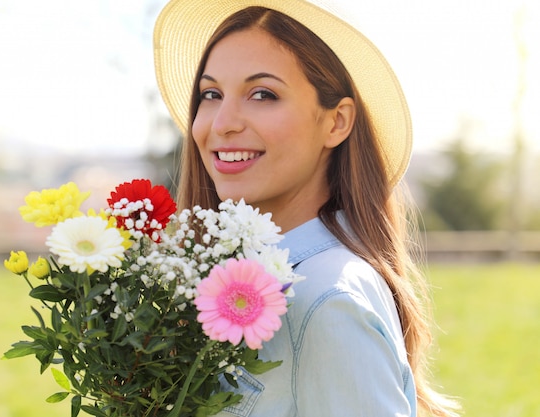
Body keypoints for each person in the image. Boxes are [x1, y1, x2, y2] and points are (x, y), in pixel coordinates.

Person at [153, 1, 458, 416]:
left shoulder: (328, 301)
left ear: (336, 122)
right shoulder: (232, 283)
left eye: (263, 94)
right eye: (211, 94)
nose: (222, 122)